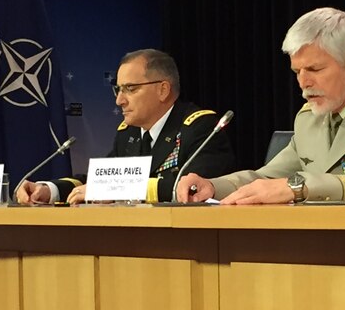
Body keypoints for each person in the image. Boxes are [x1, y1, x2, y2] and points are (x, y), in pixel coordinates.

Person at [176, 7, 345, 204]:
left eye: (314, 69)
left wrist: (299, 187)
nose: (303, 83)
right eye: (297, 71)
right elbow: (268, 178)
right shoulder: (309, 119)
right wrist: (213, 186)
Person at [15, 49, 236, 204]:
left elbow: (188, 188)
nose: (119, 100)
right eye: (118, 90)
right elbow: (100, 178)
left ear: (163, 90)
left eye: (130, 88)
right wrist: (49, 190)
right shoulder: (129, 133)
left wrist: (110, 190)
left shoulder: (201, 127)